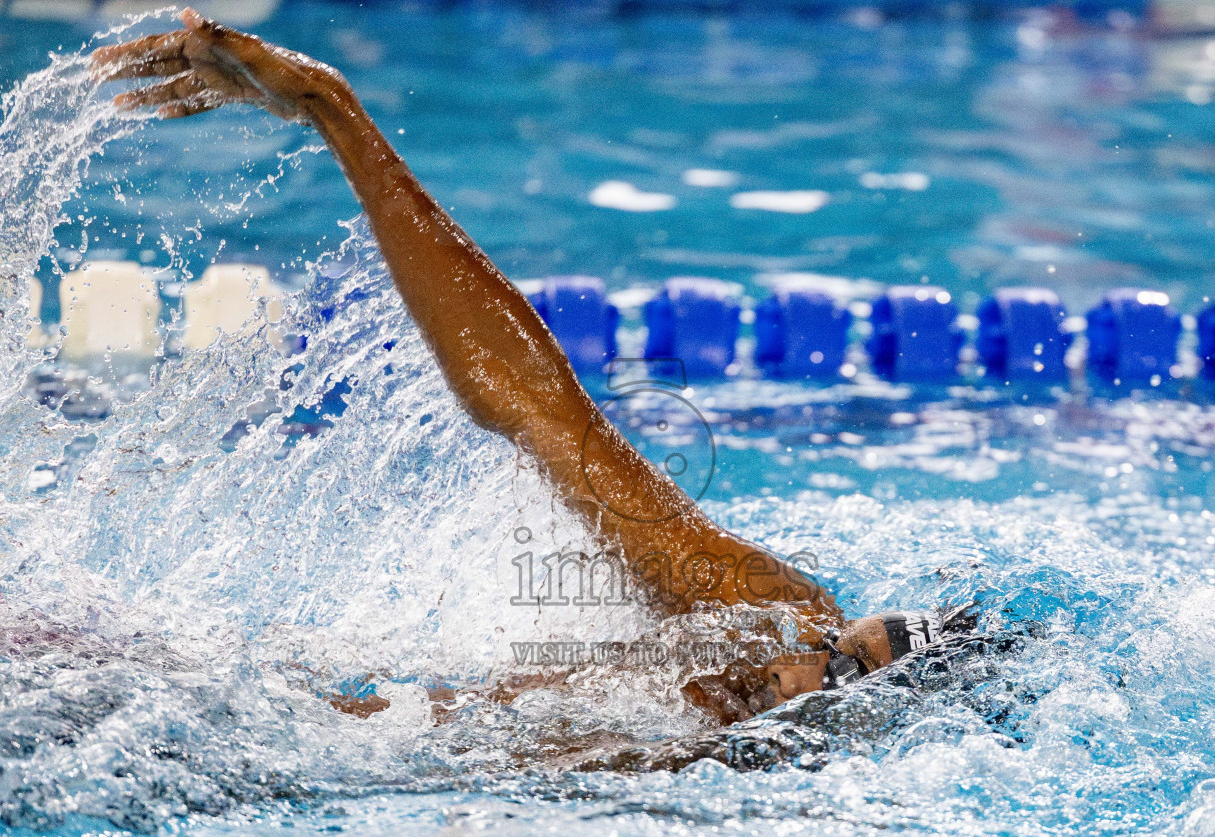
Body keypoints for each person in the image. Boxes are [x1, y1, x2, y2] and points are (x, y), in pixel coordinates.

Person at [90, 13, 990, 727]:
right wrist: (334, 110)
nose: (803, 661)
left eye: (838, 673)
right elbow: (537, 409)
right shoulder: (761, 616)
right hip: (247, 718)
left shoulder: (742, 786)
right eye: (837, 641)